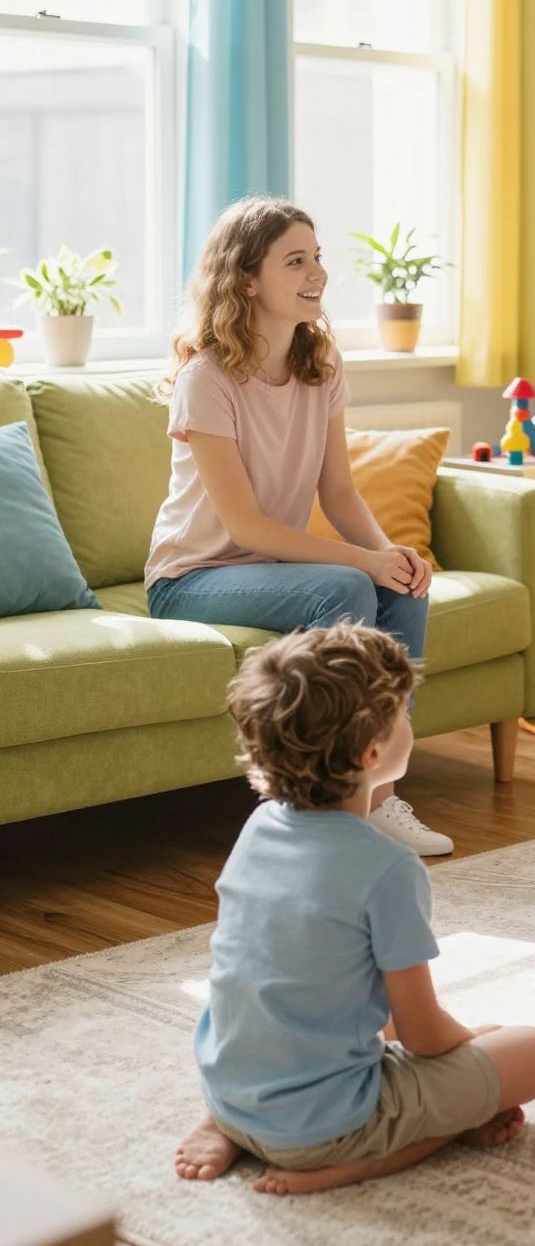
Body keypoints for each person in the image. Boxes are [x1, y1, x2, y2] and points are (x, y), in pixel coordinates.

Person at [175, 623, 535, 1194]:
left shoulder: (259, 827)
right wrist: (475, 1052)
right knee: (530, 1050)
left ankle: (231, 1126)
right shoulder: (389, 868)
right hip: (323, 1129)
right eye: (403, 711)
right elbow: (420, 1034)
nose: (411, 721)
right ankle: (363, 1161)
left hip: (230, 1091)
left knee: (466, 1044)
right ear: (372, 752)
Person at [146, 195, 450, 855]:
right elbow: (247, 527)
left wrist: (389, 553)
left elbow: (337, 491)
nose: (317, 273)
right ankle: (333, 805)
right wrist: (359, 565)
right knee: (344, 589)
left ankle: (379, 797)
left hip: (267, 568)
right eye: (295, 261)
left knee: (400, 583)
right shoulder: (208, 379)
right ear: (247, 279)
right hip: (193, 577)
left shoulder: (322, 366)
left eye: (316, 257)